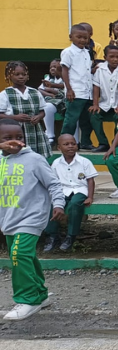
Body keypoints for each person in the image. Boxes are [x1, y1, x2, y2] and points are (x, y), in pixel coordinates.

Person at [0, 119, 66, 321]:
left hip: (31, 216)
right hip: (9, 217)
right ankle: (39, 293)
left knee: (19, 254)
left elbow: (53, 184)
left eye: (19, 137)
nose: (15, 141)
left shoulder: (34, 159)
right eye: (7, 138)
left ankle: (28, 299)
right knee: (23, 255)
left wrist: (58, 204)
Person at [44, 133, 97, 252]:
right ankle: (52, 236)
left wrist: (90, 197)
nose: (70, 146)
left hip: (80, 190)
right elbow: (54, 181)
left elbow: (90, 180)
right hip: (62, 190)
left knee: (75, 204)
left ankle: (71, 236)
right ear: (59, 148)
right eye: (66, 144)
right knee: (53, 204)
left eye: (73, 144)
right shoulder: (57, 163)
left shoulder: (84, 161)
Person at [0, 61, 51, 157]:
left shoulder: (34, 92)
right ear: (9, 76)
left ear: (27, 76)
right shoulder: (5, 94)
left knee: (35, 155)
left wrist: (38, 117)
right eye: (17, 74)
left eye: (24, 74)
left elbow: (42, 111)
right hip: (15, 131)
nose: (21, 77)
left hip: (34, 130)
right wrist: (15, 117)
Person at [89, 45, 118, 154]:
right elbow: (96, 86)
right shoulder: (100, 69)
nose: (115, 59)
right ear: (105, 57)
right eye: (111, 56)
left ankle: (116, 143)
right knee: (93, 114)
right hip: (105, 104)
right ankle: (103, 143)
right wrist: (95, 104)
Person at [38, 58, 65, 145]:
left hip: (63, 102)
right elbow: (40, 89)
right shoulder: (48, 78)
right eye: (51, 67)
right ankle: (50, 135)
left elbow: (63, 91)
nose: (52, 69)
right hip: (52, 101)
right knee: (47, 107)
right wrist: (49, 94)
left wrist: (51, 89)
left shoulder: (66, 77)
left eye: (55, 67)